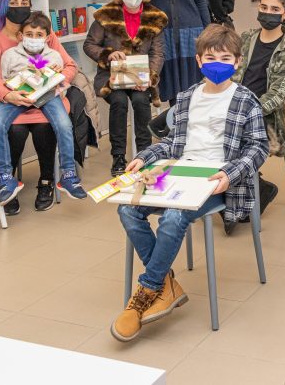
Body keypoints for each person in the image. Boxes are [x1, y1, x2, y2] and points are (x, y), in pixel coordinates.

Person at [112, 25, 268, 342]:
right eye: (210, 58)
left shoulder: (246, 100)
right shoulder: (186, 98)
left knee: (173, 216)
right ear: (198, 61)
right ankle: (164, 283)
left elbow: (258, 147)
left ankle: (146, 292)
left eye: (225, 58)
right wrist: (144, 157)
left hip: (216, 179)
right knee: (128, 209)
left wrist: (231, 173)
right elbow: (172, 145)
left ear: (237, 62)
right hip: (178, 171)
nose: (217, 64)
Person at [0, 0, 89, 214]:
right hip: (12, 99)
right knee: (13, 130)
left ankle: (48, 181)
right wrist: (8, 94)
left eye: (24, 3)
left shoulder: (43, 34)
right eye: (13, 3)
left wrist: (57, 80)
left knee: (45, 127)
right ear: (3, 6)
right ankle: (6, 182)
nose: (19, 8)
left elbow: (69, 66)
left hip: (46, 100)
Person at [230, 0, 285, 233]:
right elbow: (228, 74)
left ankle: (252, 189)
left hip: (264, 118)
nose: (267, 13)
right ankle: (251, 186)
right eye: (263, 7)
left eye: (274, 9)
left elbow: (279, 93)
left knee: (230, 141)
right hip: (234, 108)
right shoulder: (246, 38)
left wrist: (247, 111)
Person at [83, 0, 167, 176]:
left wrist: (149, 78)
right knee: (119, 102)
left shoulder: (154, 18)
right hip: (111, 78)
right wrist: (108, 54)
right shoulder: (106, 15)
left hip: (141, 78)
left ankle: (145, 154)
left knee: (140, 101)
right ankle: (118, 156)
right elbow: (89, 45)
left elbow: (158, 53)